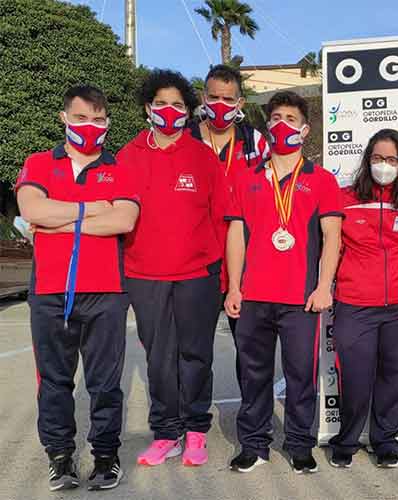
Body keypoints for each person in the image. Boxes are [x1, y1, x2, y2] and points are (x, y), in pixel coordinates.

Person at [16, 85, 140, 491]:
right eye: (82, 118)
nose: (91, 127)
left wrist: (61, 221)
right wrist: (92, 209)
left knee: (105, 382)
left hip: (106, 291)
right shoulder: (38, 163)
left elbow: (123, 221)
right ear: (64, 118)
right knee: (54, 381)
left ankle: (105, 456)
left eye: (100, 119)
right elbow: (32, 209)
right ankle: (60, 457)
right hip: (50, 293)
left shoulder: (119, 168)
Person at [224, 91, 342, 474]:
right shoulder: (246, 178)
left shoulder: (321, 179)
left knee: (300, 377)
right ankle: (253, 444)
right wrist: (234, 287)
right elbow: (237, 235)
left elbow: (333, 237)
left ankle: (298, 443)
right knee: (252, 375)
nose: (281, 124)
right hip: (254, 295)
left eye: (290, 119)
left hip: (300, 298)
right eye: (275, 117)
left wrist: (324, 286)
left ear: (304, 130)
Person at [118, 69, 228, 468]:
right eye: (161, 103)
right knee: (158, 359)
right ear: (148, 108)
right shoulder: (128, 156)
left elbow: (221, 219)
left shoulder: (203, 158)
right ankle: (166, 432)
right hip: (145, 276)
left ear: (188, 110)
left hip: (198, 276)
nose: (169, 110)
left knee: (195, 355)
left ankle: (196, 429)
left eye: (178, 104)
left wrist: (222, 275)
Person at [328, 129, 398, 469]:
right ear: (367, 159)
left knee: (392, 376)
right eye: (377, 158)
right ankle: (348, 439)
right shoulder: (344, 198)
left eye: (391, 160)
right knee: (354, 378)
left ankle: (385, 439)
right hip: (355, 304)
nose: (383, 165)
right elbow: (329, 248)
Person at [189, 64, 269, 334]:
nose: (220, 105)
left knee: (249, 350)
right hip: (196, 261)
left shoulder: (256, 143)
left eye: (228, 99)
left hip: (245, 261)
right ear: (203, 98)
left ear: (240, 103)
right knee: (193, 351)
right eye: (213, 98)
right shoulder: (185, 139)